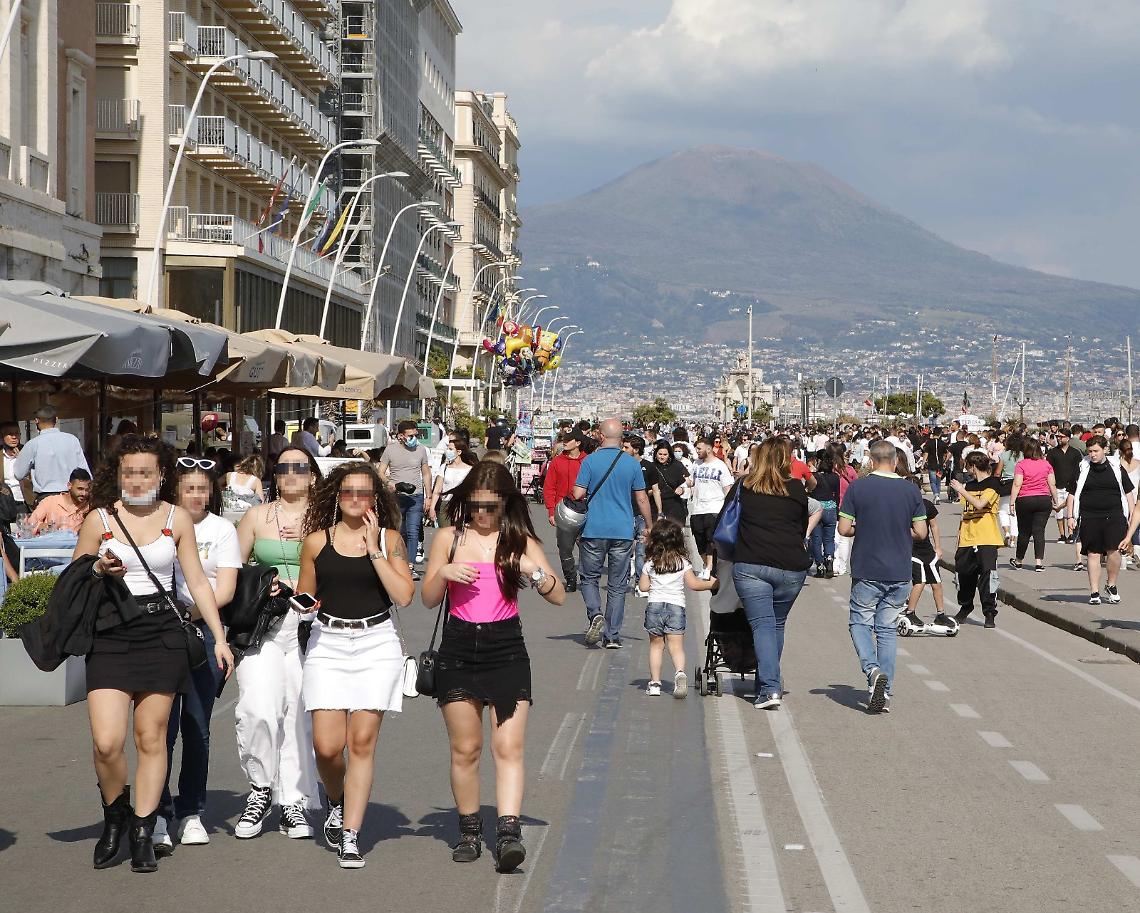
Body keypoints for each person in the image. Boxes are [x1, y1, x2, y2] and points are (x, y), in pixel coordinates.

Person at [72, 436, 233, 872]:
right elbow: (75, 575)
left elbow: (197, 581)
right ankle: (115, 815)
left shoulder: (176, 518)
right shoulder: (100, 519)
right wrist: (98, 567)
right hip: (110, 635)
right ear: (117, 475)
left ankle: (143, 830)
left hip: (162, 633)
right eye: (129, 472)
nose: (137, 479)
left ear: (162, 476)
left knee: (151, 737)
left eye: (145, 472)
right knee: (107, 743)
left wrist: (218, 637)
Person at [422, 460, 565, 872]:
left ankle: (508, 833)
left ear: (505, 504)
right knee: (466, 748)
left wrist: (534, 572)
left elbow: (557, 597)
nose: (482, 514)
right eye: (475, 505)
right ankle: (469, 830)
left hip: (506, 648)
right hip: (459, 647)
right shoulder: (448, 538)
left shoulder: (518, 540)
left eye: (491, 506)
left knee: (509, 747)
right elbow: (429, 598)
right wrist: (444, 572)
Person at [295, 462, 415, 868]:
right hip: (327, 642)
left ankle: (350, 833)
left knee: (361, 743)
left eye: (364, 493)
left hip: (376, 643)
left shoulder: (390, 539)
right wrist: (297, 601)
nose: (355, 499)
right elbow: (304, 598)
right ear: (336, 495)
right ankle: (336, 800)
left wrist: (375, 550)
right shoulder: (315, 542)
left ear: (375, 499)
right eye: (348, 492)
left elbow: (404, 595)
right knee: (327, 747)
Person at [234, 446, 323, 841]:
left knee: (299, 717)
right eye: (283, 467)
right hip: (264, 626)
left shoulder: (326, 518)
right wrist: (262, 581)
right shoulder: (256, 516)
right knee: (258, 707)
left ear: (312, 475)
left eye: (299, 468)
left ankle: (294, 801)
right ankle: (260, 788)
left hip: (311, 626)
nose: (290, 474)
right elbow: (230, 571)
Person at [155, 457, 242, 853]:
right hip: (155, 633)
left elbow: (223, 589)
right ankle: (156, 811)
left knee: (197, 726)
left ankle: (191, 811)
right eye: (188, 487)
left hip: (204, 631)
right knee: (159, 729)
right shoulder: (158, 521)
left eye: (203, 487)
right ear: (175, 490)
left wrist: (190, 613)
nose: (196, 494)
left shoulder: (222, 529)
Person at [837, 440, 928, 713]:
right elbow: (921, 533)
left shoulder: (858, 487)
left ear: (871, 460)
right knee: (887, 629)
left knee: (859, 623)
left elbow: (843, 529)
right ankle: (885, 693)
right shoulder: (910, 490)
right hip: (899, 570)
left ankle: (872, 670)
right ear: (896, 460)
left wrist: (863, 529)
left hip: (867, 567)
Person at [731, 438, 812, 710]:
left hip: (752, 564)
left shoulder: (745, 486)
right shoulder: (797, 490)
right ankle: (766, 683)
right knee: (776, 625)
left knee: (763, 625)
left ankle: (769, 687)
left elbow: (725, 521)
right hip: (791, 566)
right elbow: (801, 526)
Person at [571, 418, 653, 649]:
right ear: (621, 438)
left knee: (589, 577)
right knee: (618, 585)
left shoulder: (590, 461)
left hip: (594, 529)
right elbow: (641, 497)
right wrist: (649, 524)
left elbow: (578, 494)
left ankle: (595, 614)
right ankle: (612, 635)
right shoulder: (632, 464)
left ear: (600, 435)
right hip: (622, 530)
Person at [637, 519, 715, 697]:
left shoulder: (651, 563)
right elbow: (694, 584)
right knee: (676, 647)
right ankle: (679, 673)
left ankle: (655, 683)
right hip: (676, 607)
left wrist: (656, 584)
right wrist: (712, 584)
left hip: (655, 606)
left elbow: (642, 587)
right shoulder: (683, 563)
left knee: (656, 646)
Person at [1069, 436, 1134, 605]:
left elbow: (1128, 493)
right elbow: (1072, 493)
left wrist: (1132, 517)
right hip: (1090, 516)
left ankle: (1111, 584)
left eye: (1096, 451)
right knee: (1093, 553)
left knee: (1114, 552)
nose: (1092, 455)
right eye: (1090, 451)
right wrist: (1070, 516)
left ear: (1105, 449)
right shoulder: (1083, 467)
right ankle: (1094, 591)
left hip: (1115, 515)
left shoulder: (1116, 468)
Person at [949, 451, 1004, 627]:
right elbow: (965, 512)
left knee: (988, 575)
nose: (968, 471)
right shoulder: (970, 485)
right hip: (967, 537)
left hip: (987, 537)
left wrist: (961, 490)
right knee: (964, 575)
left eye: (968, 467)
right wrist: (958, 536)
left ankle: (989, 612)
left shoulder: (994, 484)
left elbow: (980, 504)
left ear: (973, 466)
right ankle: (965, 607)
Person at [379, 419, 432, 581]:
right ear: (401, 436)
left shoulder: (421, 450)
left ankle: (410, 566)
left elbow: (426, 473)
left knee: (413, 530)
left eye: (416, 435)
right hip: (397, 496)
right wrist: (390, 484)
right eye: (410, 435)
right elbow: (380, 471)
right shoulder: (390, 450)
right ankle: (398, 563)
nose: (414, 438)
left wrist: (428, 496)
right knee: (398, 531)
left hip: (416, 496)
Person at [12, 404, 90, 503]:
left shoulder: (33, 444)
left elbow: (18, 474)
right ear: (56, 419)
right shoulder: (72, 440)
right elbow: (85, 472)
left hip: (46, 499)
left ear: (36, 420)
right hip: (71, 497)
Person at [902, 476, 949, 629]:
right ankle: (910, 612)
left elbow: (934, 526)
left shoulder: (926, 505)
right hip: (910, 550)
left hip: (927, 550)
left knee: (936, 583)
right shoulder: (901, 508)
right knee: (920, 581)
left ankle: (941, 614)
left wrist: (938, 547)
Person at [1008, 439, 1061, 572]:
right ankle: (1039, 563)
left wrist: (1011, 502)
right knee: (1039, 531)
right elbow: (1052, 484)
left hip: (1025, 499)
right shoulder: (1046, 464)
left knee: (1024, 532)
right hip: (1043, 499)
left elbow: (1017, 484)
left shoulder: (1021, 464)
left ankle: (1019, 560)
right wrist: (1056, 501)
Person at [542, 431, 586, 590]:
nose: (565, 442)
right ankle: (571, 579)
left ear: (578, 443)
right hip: (563, 511)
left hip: (584, 510)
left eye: (569, 440)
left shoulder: (587, 461)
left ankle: (587, 579)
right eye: (564, 440)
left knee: (587, 548)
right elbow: (549, 487)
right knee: (565, 548)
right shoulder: (557, 462)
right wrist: (551, 511)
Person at [689, 437, 734, 580]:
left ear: (708, 449)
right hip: (697, 508)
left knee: (710, 540)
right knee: (699, 540)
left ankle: (709, 568)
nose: (697, 451)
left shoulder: (720, 466)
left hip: (715, 508)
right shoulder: (696, 464)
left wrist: (728, 510)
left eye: (699, 449)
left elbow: (728, 489)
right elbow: (691, 482)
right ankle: (706, 564)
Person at [622, 434, 660, 594]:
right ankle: (621, 583)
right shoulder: (621, 465)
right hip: (624, 513)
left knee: (641, 552)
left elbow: (656, 490)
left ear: (636, 450)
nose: (623, 450)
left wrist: (659, 511)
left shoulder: (649, 467)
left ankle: (640, 583)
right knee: (623, 550)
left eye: (626, 447)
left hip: (642, 515)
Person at [428, 433, 477, 527]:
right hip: (445, 505)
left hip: (462, 504)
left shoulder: (469, 469)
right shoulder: (444, 467)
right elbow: (437, 490)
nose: (447, 451)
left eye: (450, 449)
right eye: (447, 448)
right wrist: (432, 508)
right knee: (445, 535)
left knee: (459, 535)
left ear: (459, 452)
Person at [27, 467, 92, 532]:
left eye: (87, 490)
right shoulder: (50, 502)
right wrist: (43, 526)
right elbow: (30, 524)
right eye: (80, 489)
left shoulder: (89, 507)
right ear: (69, 486)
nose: (84, 493)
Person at [1047, 428, 1082, 545]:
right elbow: (1049, 470)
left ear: (1068, 438)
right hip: (1057, 485)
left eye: (1061, 436)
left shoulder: (1075, 453)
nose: (1059, 438)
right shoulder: (1052, 453)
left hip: (1071, 486)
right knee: (1058, 512)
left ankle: (1071, 533)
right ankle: (1062, 535)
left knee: (1069, 512)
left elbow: (1079, 469)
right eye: (1058, 436)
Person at [809, 449, 840, 578]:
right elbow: (837, 495)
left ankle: (820, 566)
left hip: (816, 509)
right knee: (829, 539)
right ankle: (829, 563)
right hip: (831, 508)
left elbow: (808, 491)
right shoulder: (835, 477)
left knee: (816, 539)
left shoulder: (814, 477)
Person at [648, 440, 691, 525]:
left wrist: (681, 489)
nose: (662, 457)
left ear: (669, 455)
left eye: (665, 454)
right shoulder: (650, 467)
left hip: (674, 506)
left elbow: (685, 484)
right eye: (660, 454)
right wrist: (653, 492)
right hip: (655, 506)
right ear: (655, 454)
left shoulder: (677, 466)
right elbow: (646, 490)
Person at [995, 432, 1024, 547]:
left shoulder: (1004, 455)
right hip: (1019, 484)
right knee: (1014, 513)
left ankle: (1006, 532)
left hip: (1006, 485)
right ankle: (1013, 538)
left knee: (1003, 511)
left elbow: (998, 472)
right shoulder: (1022, 455)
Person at [1, 421, 28, 516]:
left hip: (22, 502)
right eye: (10, 434)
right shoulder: (1, 456)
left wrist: (21, 460)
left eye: (17, 433)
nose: (14, 437)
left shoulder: (27, 453)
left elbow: (33, 477)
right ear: (2, 436)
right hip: (4, 503)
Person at [921, 428, 949, 503]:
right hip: (939, 466)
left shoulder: (929, 443)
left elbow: (926, 454)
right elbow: (945, 453)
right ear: (940, 434)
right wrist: (944, 462)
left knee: (933, 481)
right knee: (938, 481)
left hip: (931, 465)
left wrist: (923, 464)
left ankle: (936, 495)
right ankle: (938, 496)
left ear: (933, 434)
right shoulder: (943, 443)